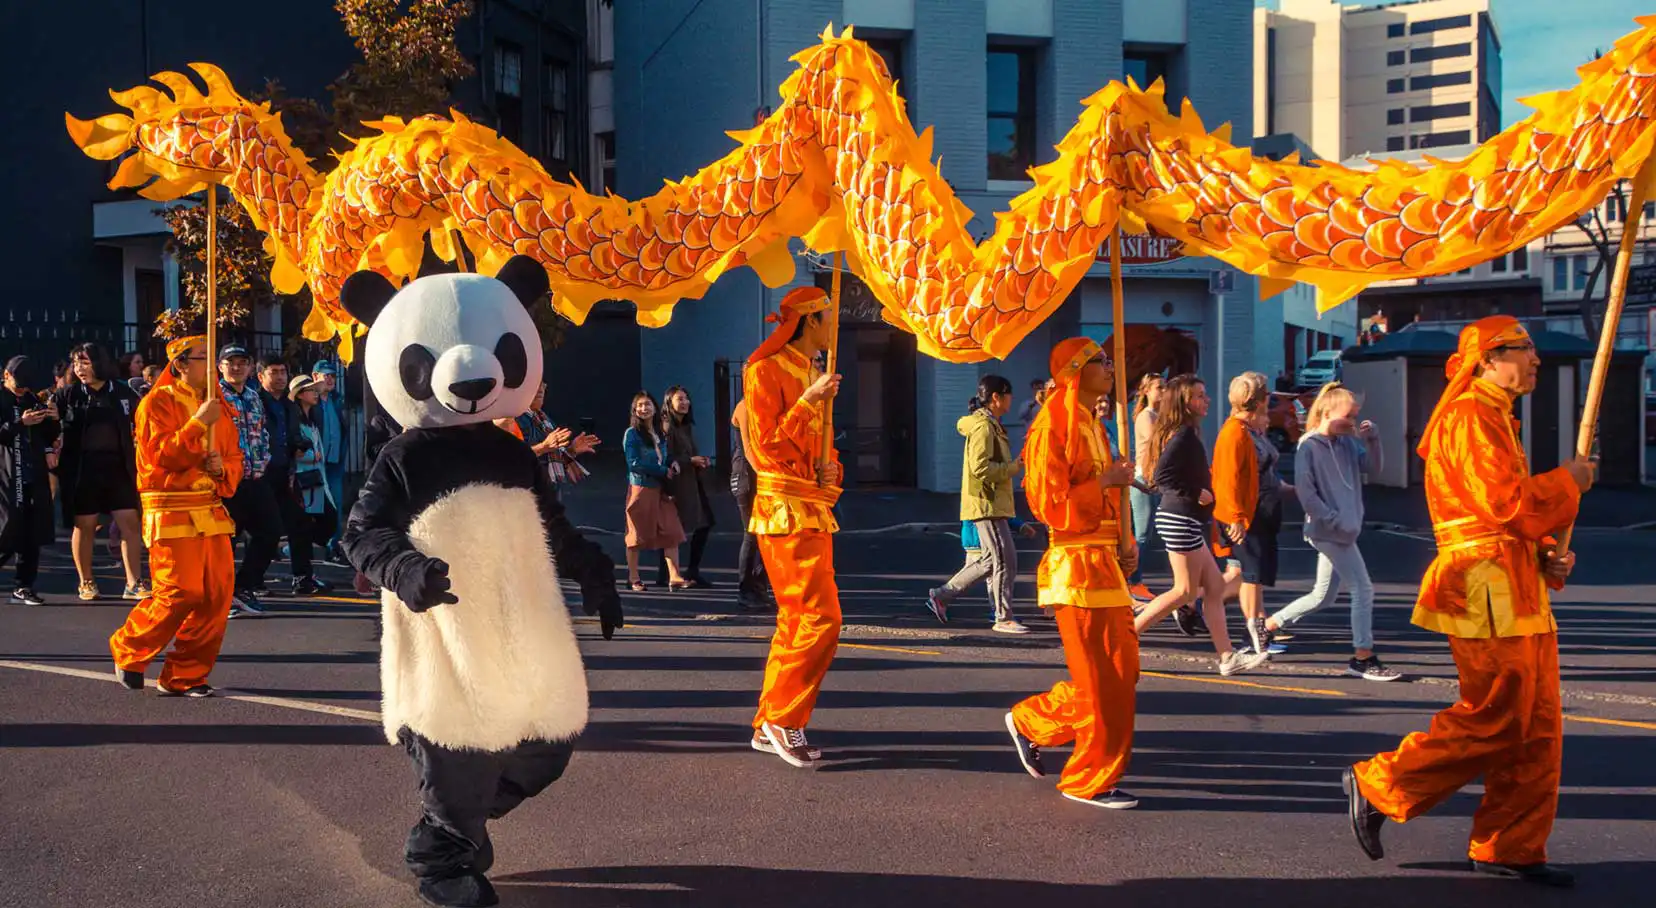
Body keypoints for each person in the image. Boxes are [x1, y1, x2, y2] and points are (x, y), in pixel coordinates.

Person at [1344, 316, 1593, 886]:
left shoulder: (1498, 417)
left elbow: (1508, 517)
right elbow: (1504, 504)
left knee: (1538, 723)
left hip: (1513, 579)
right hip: (1485, 583)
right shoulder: (1469, 416)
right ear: (1488, 357)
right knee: (1500, 716)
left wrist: (1547, 552)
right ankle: (1379, 783)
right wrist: (1569, 482)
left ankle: (1511, 844)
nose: (1536, 359)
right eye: (1525, 349)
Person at [1003, 338, 1140, 809]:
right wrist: (1105, 482)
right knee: (1102, 679)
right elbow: (1049, 504)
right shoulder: (1051, 427)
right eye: (1100, 361)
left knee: (1120, 673)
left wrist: (1126, 540)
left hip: (1105, 563)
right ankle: (1088, 778)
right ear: (1077, 371)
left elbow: (1111, 496)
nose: (1109, 367)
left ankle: (1032, 721)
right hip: (1076, 567)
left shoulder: (1095, 424)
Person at [109, 335, 243, 697]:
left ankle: (185, 675)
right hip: (170, 509)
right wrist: (198, 424)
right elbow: (161, 455)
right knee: (179, 591)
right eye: (204, 358)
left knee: (216, 595)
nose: (211, 366)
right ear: (180, 364)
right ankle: (129, 648)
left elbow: (234, 457)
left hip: (210, 510)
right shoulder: (157, 402)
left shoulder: (218, 405)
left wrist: (221, 467)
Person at [744, 286, 843, 767]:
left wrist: (831, 470)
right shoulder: (764, 371)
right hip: (783, 506)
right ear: (807, 322)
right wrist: (807, 400)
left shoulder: (812, 372)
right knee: (821, 619)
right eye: (827, 318)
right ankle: (785, 718)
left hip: (810, 505)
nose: (832, 327)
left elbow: (823, 446)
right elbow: (765, 446)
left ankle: (770, 720)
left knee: (796, 620)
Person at [1257, 383, 1395, 679]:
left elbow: (1373, 468)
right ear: (1327, 412)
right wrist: (1333, 518)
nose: (1353, 423)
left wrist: (1373, 440)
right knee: (1363, 588)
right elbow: (1307, 494)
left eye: (1356, 417)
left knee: (1323, 595)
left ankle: (1268, 626)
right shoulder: (1309, 445)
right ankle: (1363, 655)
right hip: (1328, 530)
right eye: (1349, 416)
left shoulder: (1346, 442)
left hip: (1344, 529)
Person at [1133, 375, 1268, 676]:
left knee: (1216, 587)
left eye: (1205, 394)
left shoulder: (1185, 432)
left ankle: (1227, 657)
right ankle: (1126, 636)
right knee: (1183, 591)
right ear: (1184, 402)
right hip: (1179, 517)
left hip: (1185, 519)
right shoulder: (1182, 435)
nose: (1206, 400)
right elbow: (1161, 475)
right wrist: (1197, 492)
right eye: (1199, 396)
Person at [926, 374, 1031, 633]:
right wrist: (1012, 468)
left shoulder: (990, 425)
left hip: (991, 504)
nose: (1011, 399)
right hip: (987, 504)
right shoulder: (984, 427)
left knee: (990, 560)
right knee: (1005, 560)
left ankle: (941, 595)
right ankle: (1003, 617)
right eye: (1008, 394)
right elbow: (980, 468)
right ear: (996, 397)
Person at [52, 342, 145, 601]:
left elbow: (146, 421)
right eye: (76, 363)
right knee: (85, 525)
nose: (80, 369)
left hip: (118, 468)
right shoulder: (67, 395)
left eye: (85, 362)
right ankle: (87, 582)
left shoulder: (123, 392)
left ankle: (134, 582)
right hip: (82, 471)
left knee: (129, 522)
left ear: (99, 363)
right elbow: (48, 425)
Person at [1212, 372, 1292, 656]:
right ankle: (1256, 633)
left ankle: (1255, 631)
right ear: (1258, 400)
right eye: (1266, 395)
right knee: (1251, 575)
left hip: (1257, 511)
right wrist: (1235, 517)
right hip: (1247, 514)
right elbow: (1227, 479)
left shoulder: (1248, 430)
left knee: (1247, 574)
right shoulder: (1234, 432)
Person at [217, 344, 282, 615]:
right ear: (220, 366)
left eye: (242, 362)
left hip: (255, 477)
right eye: (230, 362)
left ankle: (244, 586)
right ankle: (224, 597)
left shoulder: (254, 396)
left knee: (271, 531)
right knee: (225, 542)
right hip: (227, 480)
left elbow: (261, 430)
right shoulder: (214, 397)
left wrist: (264, 458)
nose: (236, 367)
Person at [1, 357, 60, 605]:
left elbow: (47, 436)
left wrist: (53, 419)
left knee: (32, 532)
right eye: (18, 383)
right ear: (6, 375)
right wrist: (18, 423)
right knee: (7, 530)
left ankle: (23, 586)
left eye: (27, 385)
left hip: (31, 474)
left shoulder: (32, 399)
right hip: (5, 475)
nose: (22, 389)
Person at [621, 391, 687, 591]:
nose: (644, 408)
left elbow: (663, 457)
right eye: (640, 405)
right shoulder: (631, 433)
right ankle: (633, 578)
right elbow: (634, 463)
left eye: (647, 404)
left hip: (661, 488)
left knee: (672, 530)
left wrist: (672, 463)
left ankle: (674, 576)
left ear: (655, 407)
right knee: (636, 534)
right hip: (641, 487)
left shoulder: (659, 433)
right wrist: (662, 470)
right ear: (634, 410)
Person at [657, 385, 715, 587]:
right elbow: (665, 457)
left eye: (686, 399)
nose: (684, 403)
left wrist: (700, 461)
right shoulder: (667, 427)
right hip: (677, 484)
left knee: (705, 522)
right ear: (669, 403)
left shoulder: (686, 426)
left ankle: (691, 570)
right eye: (679, 399)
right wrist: (690, 461)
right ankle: (666, 573)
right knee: (672, 527)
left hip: (693, 481)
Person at [288, 375, 339, 580]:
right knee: (310, 523)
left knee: (328, 521)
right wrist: (307, 454)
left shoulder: (313, 420)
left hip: (316, 478)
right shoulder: (294, 420)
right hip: (302, 479)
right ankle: (302, 573)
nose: (316, 394)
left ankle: (301, 560)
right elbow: (294, 450)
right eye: (311, 390)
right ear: (300, 395)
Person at [515, 382, 597, 504]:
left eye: (542, 385)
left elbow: (553, 457)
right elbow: (513, 458)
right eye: (535, 383)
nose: (540, 388)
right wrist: (543, 447)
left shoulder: (545, 419)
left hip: (549, 492)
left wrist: (572, 450)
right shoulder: (514, 419)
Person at [729, 399, 773, 611]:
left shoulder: (765, 404)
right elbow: (748, 449)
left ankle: (759, 586)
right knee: (752, 533)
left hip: (761, 475)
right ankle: (745, 589)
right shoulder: (745, 407)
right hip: (746, 475)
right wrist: (768, 475)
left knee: (767, 533)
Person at [1128, 374, 1165, 601]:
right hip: (1143, 480)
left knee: (1147, 533)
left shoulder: (1159, 415)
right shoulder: (1146, 416)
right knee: (1141, 533)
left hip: (1153, 480)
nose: (1163, 391)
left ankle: (1134, 580)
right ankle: (1134, 582)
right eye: (1159, 387)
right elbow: (1159, 443)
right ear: (1147, 391)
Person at [310, 359, 347, 562]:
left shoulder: (337, 400)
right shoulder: (310, 400)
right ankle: (309, 546)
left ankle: (333, 547)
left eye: (333, 375)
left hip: (334, 463)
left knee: (337, 504)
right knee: (313, 505)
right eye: (326, 375)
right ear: (315, 377)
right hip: (314, 464)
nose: (330, 379)